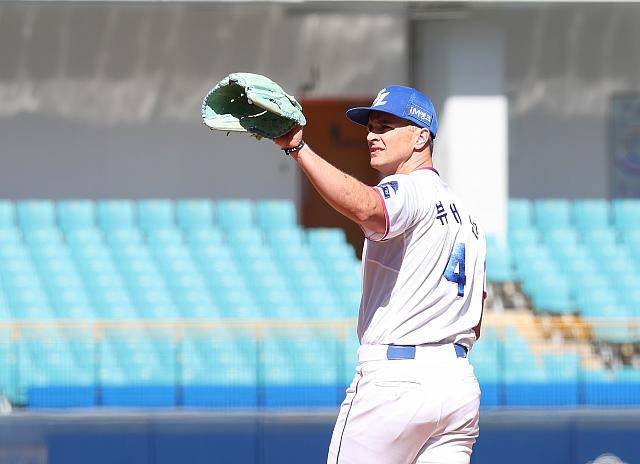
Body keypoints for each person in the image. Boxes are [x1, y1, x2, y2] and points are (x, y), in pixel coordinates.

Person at [274, 85, 486, 464]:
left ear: (421, 137)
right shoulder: (468, 218)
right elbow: (477, 318)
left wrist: (299, 149)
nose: (372, 136)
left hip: (397, 381)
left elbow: (370, 208)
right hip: (457, 383)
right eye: (371, 127)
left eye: (386, 127)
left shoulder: (411, 188)